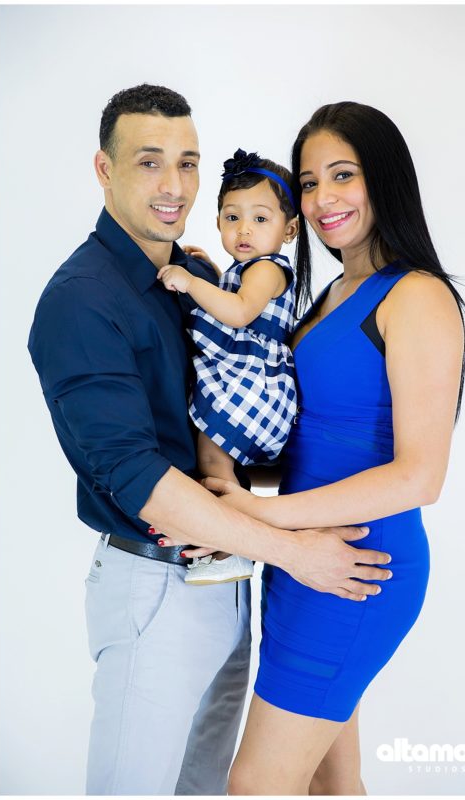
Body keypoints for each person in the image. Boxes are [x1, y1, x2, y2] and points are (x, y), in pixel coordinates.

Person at [27, 85, 393, 796]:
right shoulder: (80, 300)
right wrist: (294, 551)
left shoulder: (199, 277)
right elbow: (137, 477)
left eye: (188, 163)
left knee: (205, 789)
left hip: (227, 580)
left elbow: (244, 424)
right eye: (149, 162)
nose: (174, 186)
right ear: (104, 169)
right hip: (154, 588)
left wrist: (264, 517)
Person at [159, 101, 465, 795]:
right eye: (308, 182)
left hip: (357, 569)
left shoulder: (416, 296)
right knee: (333, 785)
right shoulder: (331, 294)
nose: (323, 197)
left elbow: (420, 477)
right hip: (301, 562)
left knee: (256, 786)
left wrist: (255, 517)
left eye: (343, 174)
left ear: (384, 177)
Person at [157, 148, 299, 585]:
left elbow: (238, 312)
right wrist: (216, 271)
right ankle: (228, 540)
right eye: (232, 217)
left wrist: (192, 282)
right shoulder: (251, 269)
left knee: (212, 457)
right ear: (218, 222)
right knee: (216, 456)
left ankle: (232, 545)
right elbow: (237, 298)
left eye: (260, 219)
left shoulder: (270, 270)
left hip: (253, 382)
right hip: (245, 377)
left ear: (289, 229)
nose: (244, 229)